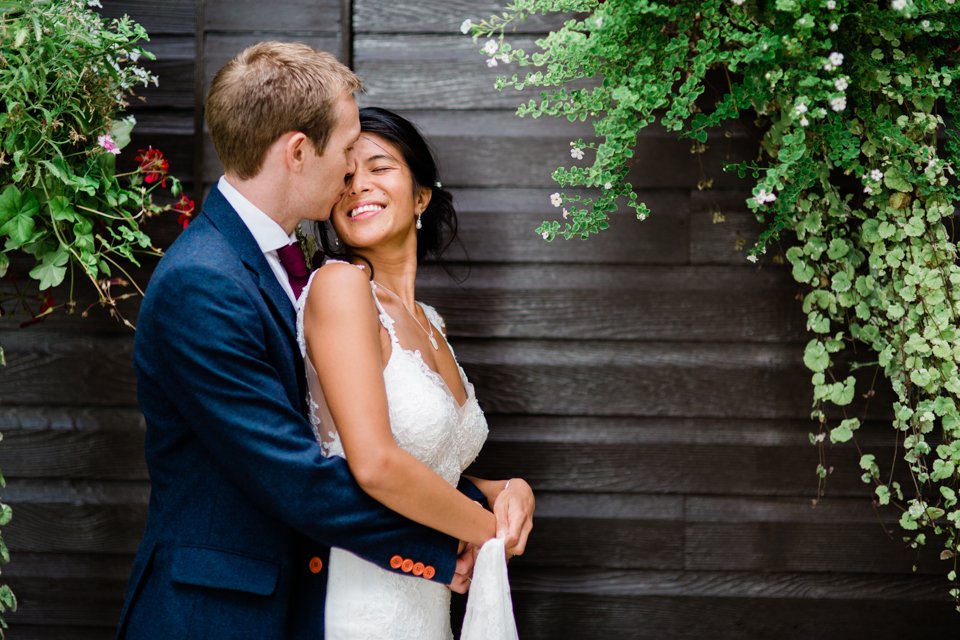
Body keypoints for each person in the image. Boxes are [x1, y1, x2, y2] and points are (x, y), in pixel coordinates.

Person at [115, 42, 533, 639]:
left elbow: (336, 442)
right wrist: (464, 537)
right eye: (345, 150)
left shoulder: (288, 266)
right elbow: (296, 472)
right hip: (218, 615)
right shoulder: (202, 281)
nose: (350, 172)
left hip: (308, 598)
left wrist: (488, 492)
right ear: (298, 151)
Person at [299, 106, 532, 640]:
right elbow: (375, 465)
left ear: (421, 195)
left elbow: (428, 464)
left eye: (380, 168)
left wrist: (504, 489)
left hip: (428, 608)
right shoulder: (341, 287)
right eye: (346, 176)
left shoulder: (429, 321)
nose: (359, 187)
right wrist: (485, 530)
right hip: (363, 602)